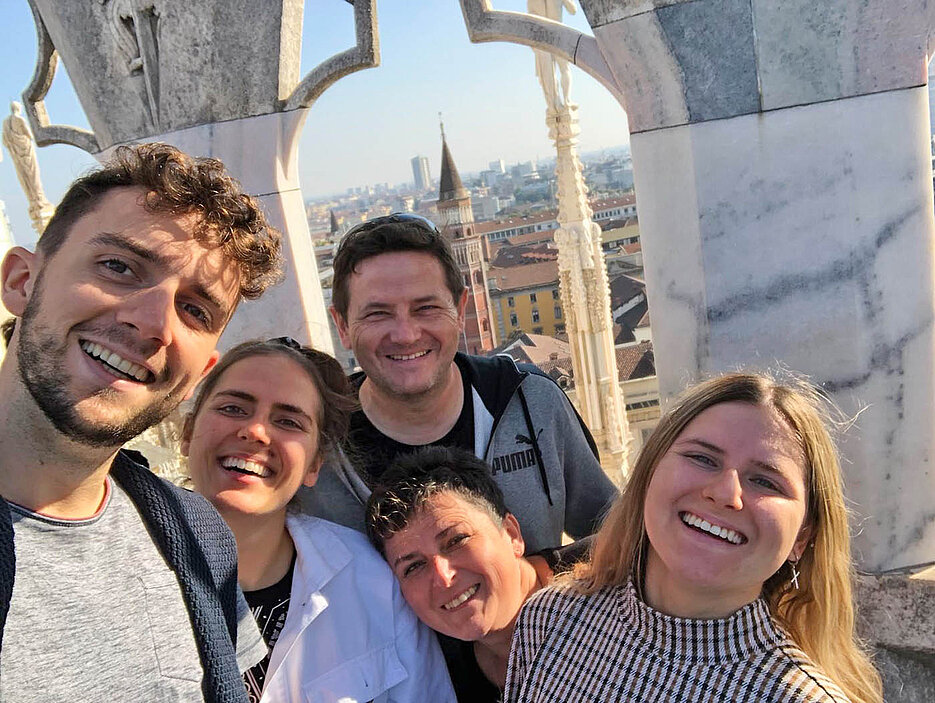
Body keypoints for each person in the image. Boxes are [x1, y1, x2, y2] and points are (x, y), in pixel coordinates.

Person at [0, 143, 282, 702]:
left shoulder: (198, 538)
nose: (154, 322)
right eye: (119, 267)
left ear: (202, 370)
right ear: (21, 281)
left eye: (196, 311)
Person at [504, 373, 883, 703]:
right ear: (648, 473)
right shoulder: (550, 619)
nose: (725, 493)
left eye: (765, 481)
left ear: (802, 537)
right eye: (703, 458)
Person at [303, 213, 617, 555]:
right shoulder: (314, 442)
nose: (406, 335)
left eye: (426, 308)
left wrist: (540, 575)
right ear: (343, 326)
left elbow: (619, 538)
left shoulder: (530, 402)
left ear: (460, 308)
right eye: (377, 314)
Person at [183, 338, 456, 703]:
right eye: (233, 408)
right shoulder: (119, 584)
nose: (256, 431)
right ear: (187, 433)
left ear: (314, 465)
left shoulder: (371, 582)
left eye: (288, 421)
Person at [367, 446, 552, 702]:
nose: (443, 576)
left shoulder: (616, 590)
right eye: (413, 567)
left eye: (456, 541)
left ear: (511, 534)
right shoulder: (439, 677)